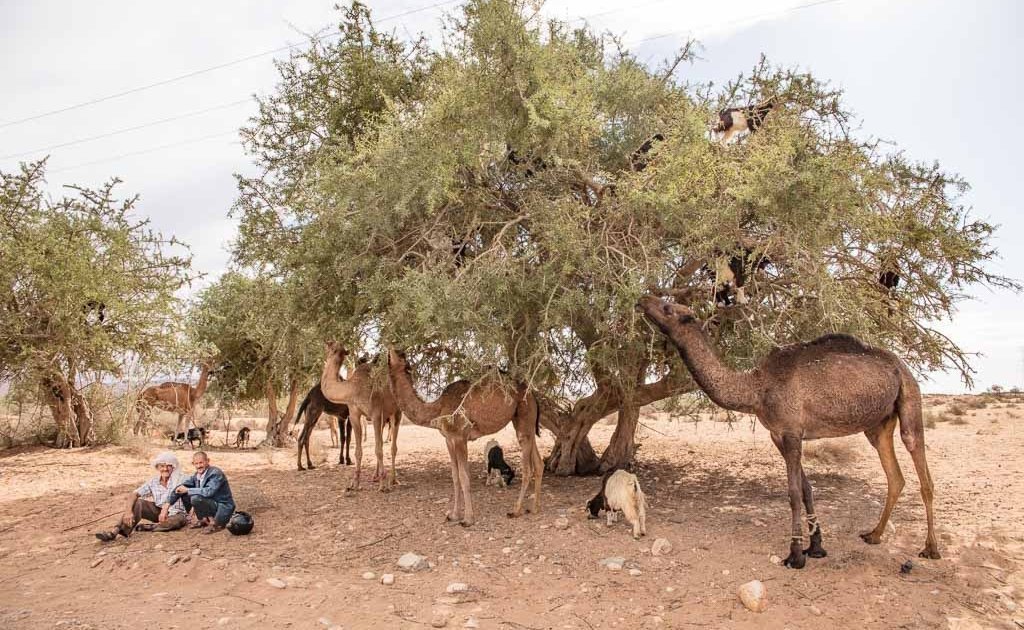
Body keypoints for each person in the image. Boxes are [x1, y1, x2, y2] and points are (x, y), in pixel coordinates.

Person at [95, 451, 190, 541]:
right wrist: (128, 512)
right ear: (157, 467)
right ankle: (114, 532)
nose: (165, 469)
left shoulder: (181, 478)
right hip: (159, 511)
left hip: (177, 513)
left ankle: (152, 527)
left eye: (168, 466)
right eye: (162, 466)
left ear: (173, 467)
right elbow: (134, 494)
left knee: (175, 521)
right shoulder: (153, 481)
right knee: (138, 503)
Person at [175, 451, 235, 534]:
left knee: (195, 497)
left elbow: (209, 491)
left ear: (207, 461)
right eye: (196, 463)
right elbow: (181, 487)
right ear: (193, 464)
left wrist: (188, 490)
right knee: (186, 494)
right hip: (212, 504)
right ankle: (204, 519)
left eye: (201, 463)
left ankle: (214, 523)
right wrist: (167, 504)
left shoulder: (216, 473)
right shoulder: (196, 475)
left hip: (222, 506)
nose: (199, 466)